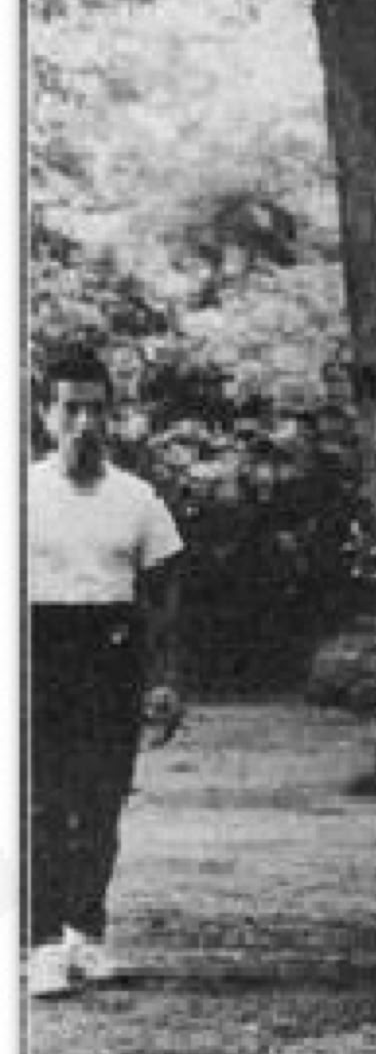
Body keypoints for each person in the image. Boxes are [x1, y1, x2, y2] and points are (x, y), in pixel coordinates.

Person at [26, 346, 184, 997]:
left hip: (109, 652)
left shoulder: (137, 499)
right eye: (71, 408)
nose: (84, 423)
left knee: (99, 802)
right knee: (39, 801)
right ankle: (36, 946)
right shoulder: (22, 493)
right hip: (35, 649)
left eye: (96, 409)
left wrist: (166, 679)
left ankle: (84, 937)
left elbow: (166, 597)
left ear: (111, 415)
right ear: (45, 414)